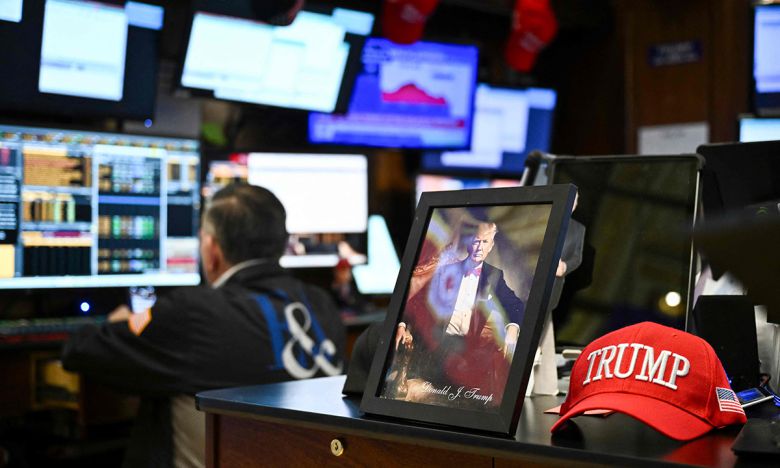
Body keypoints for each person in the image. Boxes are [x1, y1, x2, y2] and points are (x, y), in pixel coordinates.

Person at [61, 184, 346, 468]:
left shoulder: (193, 312)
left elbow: (80, 351)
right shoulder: (322, 305)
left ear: (211, 249)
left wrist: (120, 325)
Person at [387, 222, 524, 406]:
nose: (479, 247)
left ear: (491, 246)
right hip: (440, 344)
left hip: (469, 351)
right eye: (476, 241)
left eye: (485, 242)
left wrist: (513, 328)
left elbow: (515, 305)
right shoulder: (446, 271)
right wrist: (402, 325)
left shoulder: (494, 275)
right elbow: (415, 302)